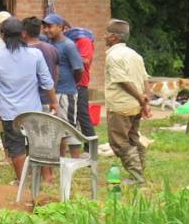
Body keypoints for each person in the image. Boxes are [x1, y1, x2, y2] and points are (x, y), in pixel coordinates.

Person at [0, 17, 54, 187]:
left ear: (2, 35)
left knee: (16, 146)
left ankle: (21, 181)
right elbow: (47, 82)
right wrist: (54, 102)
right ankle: (47, 179)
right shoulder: (35, 54)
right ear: (23, 33)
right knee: (38, 143)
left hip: (10, 112)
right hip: (33, 110)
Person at [103, 19, 150, 184]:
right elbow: (145, 79)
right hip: (135, 106)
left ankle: (137, 178)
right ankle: (139, 172)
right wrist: (145, 102)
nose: (104, 37)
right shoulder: (135, 54)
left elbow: (122, 81)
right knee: (132, 138)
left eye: (107, 34)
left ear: (114, 37)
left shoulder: (113, 56)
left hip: (121, 106)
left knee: (118, 142)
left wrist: (140, 98)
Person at [42, 13, 85, 157]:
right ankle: (60, 159)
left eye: (50, 26)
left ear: (60, 27)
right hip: (53, 93)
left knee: (70, 126)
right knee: (56, 127)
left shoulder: (68, 45)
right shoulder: (48, 44)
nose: (46, 30)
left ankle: (75, 159)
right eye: (44, 27)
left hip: (66, 92)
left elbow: (79, 69)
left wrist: (71, 82)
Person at [63, 22, 97, 140]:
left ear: (65, 28)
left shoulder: (84, 40)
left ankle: (91, 146)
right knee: (71, 115)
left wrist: (65, 56)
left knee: (83, 115)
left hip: (80, 83)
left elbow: (85, 60)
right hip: (67, 84)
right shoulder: (68, 42)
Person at [22, 18, 59, 110]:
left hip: (28, 102)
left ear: (24, 32)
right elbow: (57, 72)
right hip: (48, 99)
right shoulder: (51, 49)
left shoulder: (21, 52)